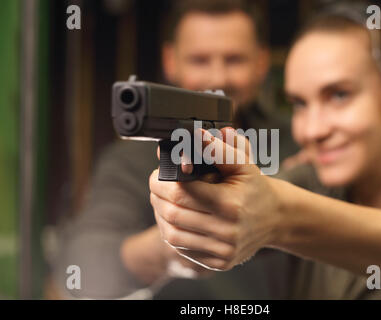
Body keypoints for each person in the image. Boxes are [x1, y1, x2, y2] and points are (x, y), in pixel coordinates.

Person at [149, 4, 381, 299]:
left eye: (339, 95)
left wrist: (280, 215)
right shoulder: (311, 182)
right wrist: (200, 208)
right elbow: (239, 212)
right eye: (300, 104)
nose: (311, 131)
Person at [54, 0, 297, 299]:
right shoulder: (131, 159)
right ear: (170, 61)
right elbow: (82, 264)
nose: (218, 79)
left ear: (261, 63)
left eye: (234, 59)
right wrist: (168, 247)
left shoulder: (297, 137)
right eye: (200, 60)